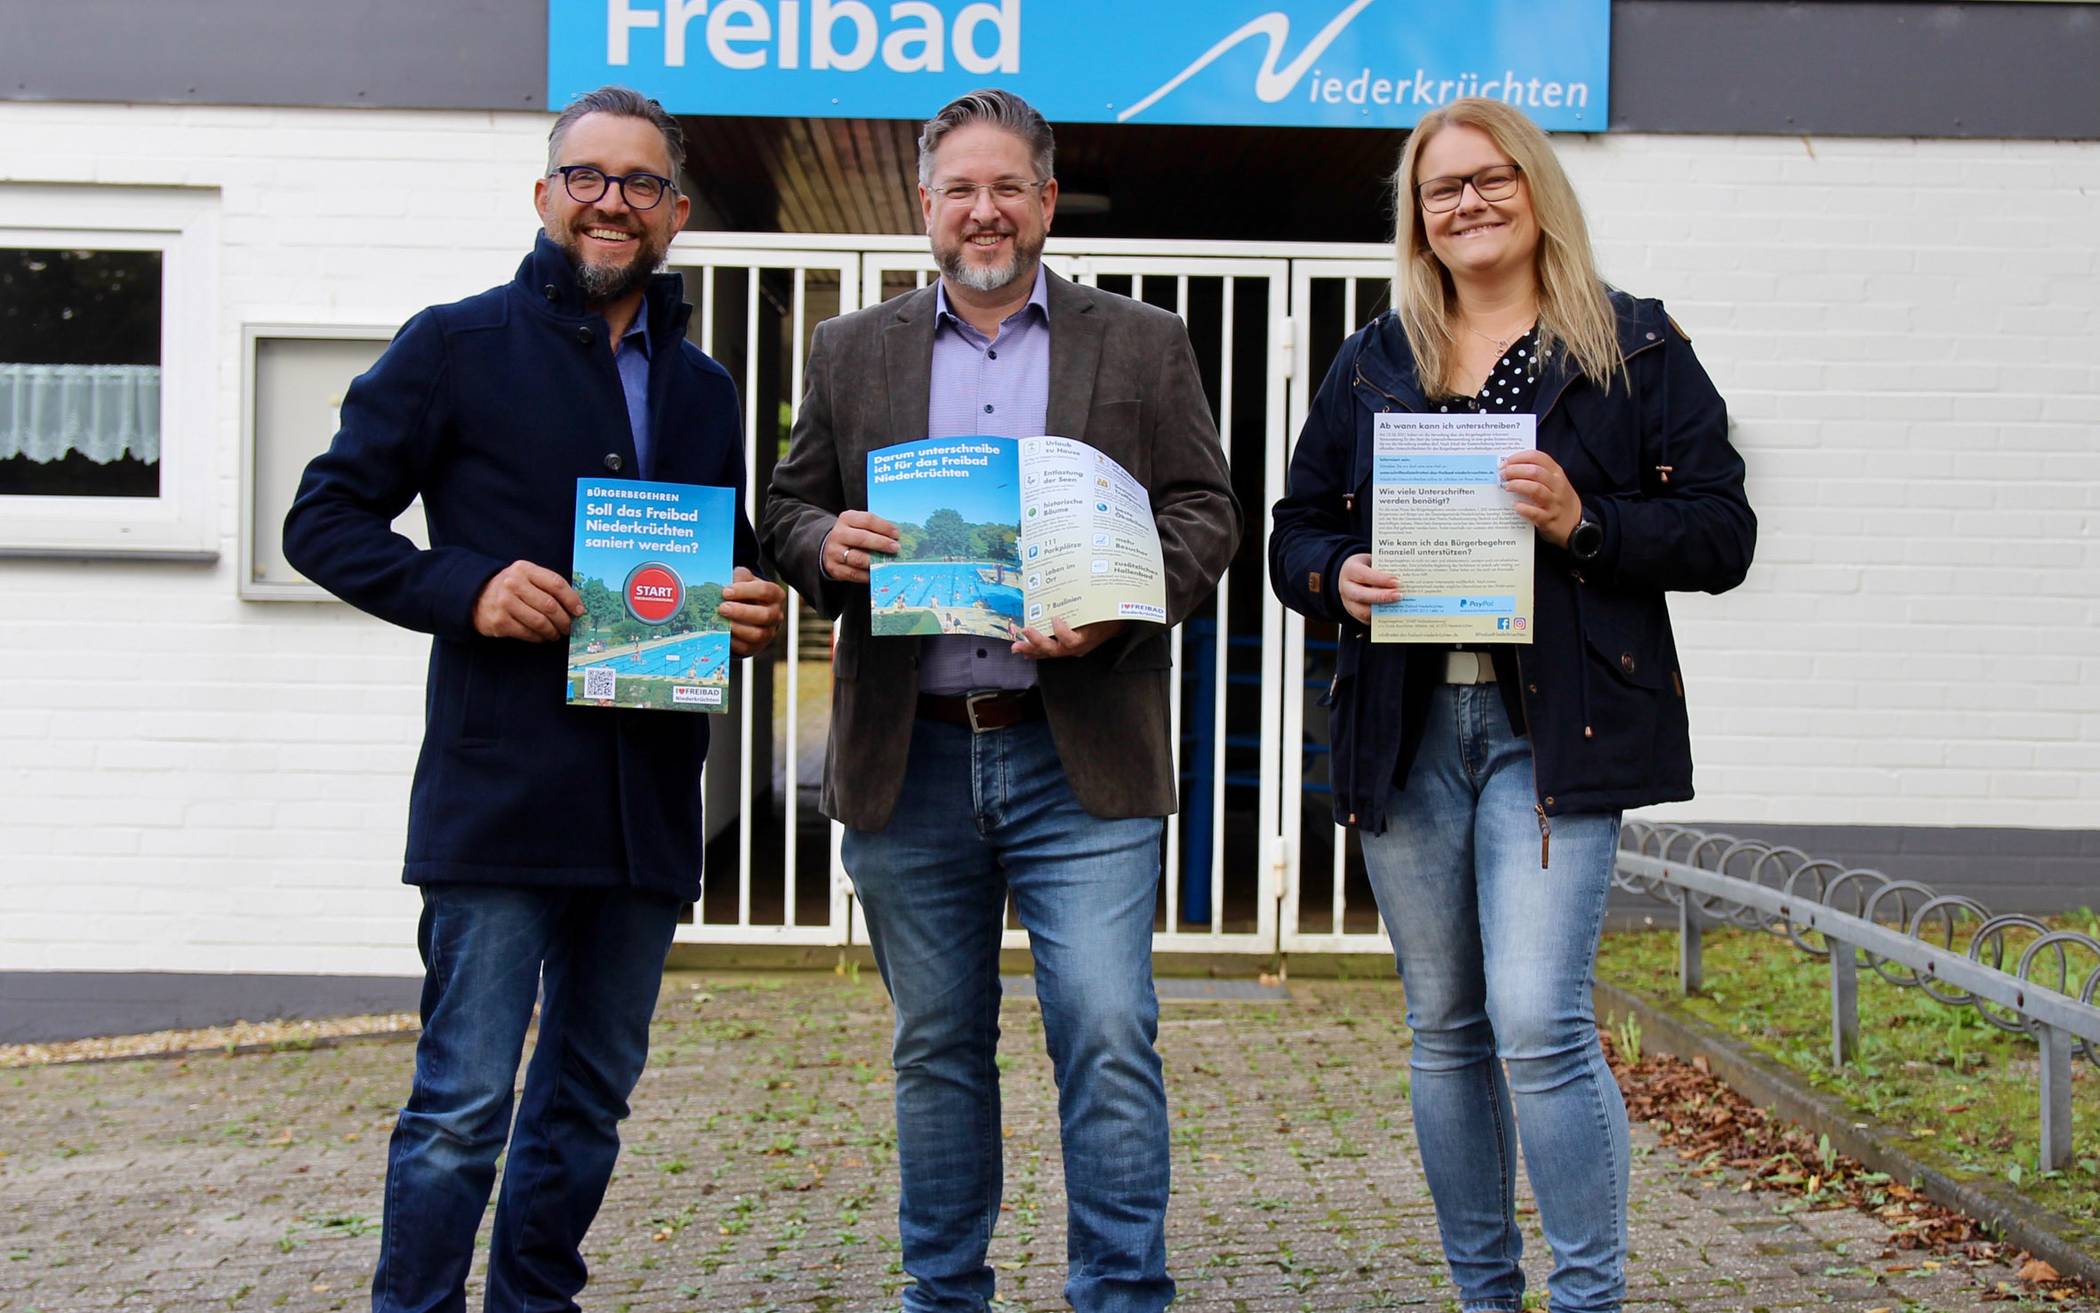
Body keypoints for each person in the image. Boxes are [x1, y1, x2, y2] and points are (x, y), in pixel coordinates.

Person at [282, 86, 785, 1313]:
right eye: (588, 176)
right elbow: (321, 520)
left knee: (587, 1100)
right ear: (546, 193)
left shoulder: (707, 388)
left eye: (643, 183)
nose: (613, 201)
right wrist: (464, 588)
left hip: (646, 805)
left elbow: (729, 557)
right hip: (500, 795)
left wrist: (758, 607)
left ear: (675, 212)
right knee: (461, 1104)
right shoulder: (451, 345)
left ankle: (533, 1300)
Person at [1269, 98, 1754, 1313]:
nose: (1467, 203)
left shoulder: (1631, 348)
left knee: (1537, 1021)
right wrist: (1340, 576)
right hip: (1410, 730)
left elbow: (1722, 528)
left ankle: (1586, 1294)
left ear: (1537, 189)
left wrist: (1582, 521)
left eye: (1489, 180)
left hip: (1556, 733)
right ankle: (1486, 1293)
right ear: (1416, 217)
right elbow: (1294, 531)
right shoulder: (1377, 356)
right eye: (1441, 190)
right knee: (1444, 1023)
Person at [761, 88, 1240, 1313]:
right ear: (926, 205)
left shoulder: (1142, 342)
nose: (986, 210)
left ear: (1044, 198)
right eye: (960, 189)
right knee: (937, 1048)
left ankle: (1121, 1292)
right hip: (907, 756)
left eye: (1009, 186)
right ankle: (944, 1293)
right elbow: (783, 508)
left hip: (1076, 751)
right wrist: (829, 545)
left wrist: (1123, 597)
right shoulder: (848, 349)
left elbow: (1206, 511)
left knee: (1108, 1035)